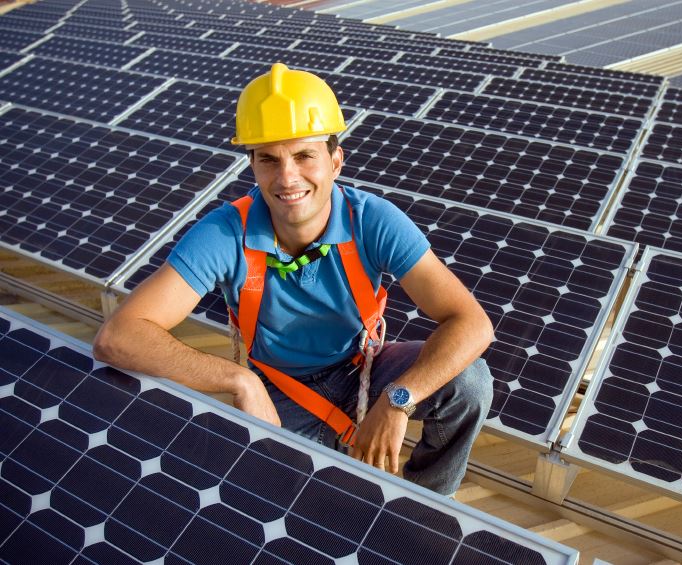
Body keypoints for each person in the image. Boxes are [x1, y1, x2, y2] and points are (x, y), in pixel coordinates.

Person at [93, 62, 495, 496]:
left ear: (335, 160)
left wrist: (400, 399)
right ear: (252, 165)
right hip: (278, 388)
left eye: (304, 155)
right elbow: (119, 336)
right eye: (269, 159)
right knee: (269, 499)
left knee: (469, 382)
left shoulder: (373, 220)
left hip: (363, 369)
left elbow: (472, 323)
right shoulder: (224, 232)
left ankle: (430, 505)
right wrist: (239, 380)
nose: (287, 178)